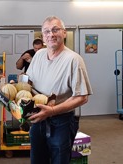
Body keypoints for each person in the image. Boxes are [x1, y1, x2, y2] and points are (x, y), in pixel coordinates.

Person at [26, 16, 93, 164]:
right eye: (47, 31)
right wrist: (15, 85)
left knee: (59, 160)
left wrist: (53, 111)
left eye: (56, 30)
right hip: (38, 118)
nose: (51, 34)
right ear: (43, 36)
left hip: (61, 121)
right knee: (37, 159)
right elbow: (29, 81)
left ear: (64, 33)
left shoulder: (74, 60)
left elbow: (82, 97)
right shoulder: (38, 55)